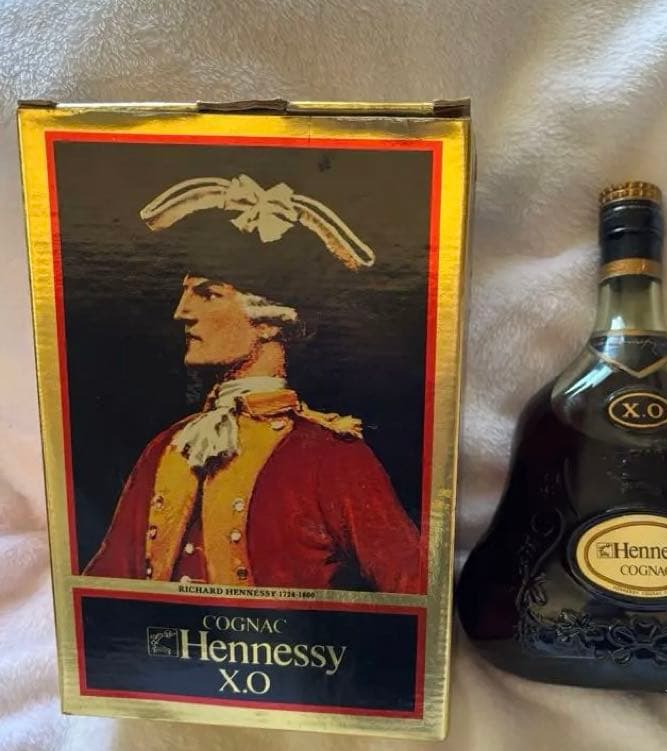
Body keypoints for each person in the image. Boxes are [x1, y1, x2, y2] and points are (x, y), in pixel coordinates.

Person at [85, 173, 421, 594]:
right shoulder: (166, 448)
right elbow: (104, 595)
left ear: (268, 322)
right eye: (184, 293)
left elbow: (411, 593)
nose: (181, 312)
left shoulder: (332, 458)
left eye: (208, 295)